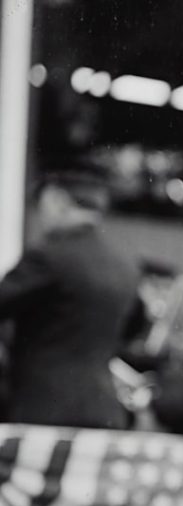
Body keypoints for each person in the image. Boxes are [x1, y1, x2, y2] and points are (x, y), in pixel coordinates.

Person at [0, 160, 142, 429]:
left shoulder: (49, 256)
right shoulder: (125, 265)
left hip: (43, 410)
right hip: (105, 411)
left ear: (57, 200)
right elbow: (134, 328)